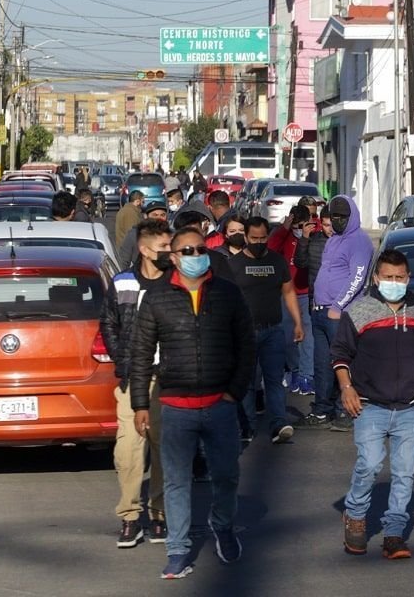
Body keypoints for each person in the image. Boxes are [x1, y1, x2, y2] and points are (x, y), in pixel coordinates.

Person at [129, 226, 257, 580]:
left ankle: (223, 526)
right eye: (187, 251)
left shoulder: (227, 294)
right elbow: (140, 354)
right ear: (173, 257)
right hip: (175, 406)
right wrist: (141, 404)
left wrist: (235, 391)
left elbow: (247, 346)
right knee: (176, 481)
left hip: (220, 403)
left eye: (200, 249)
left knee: (227, 475)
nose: (195, 256)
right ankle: (178, 549)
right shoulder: (156, 298)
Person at [335, 249, 414, 559]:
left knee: (404, 473)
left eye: (400, 278)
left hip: (409, 407)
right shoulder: (359, 312)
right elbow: (340, 355)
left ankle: (394, 534)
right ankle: (355, 515)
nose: (394, 282)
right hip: (369, 405)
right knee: (370, 465)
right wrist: (346, 388)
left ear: (408, 278)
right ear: (376, 278)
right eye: (387, 277)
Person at [99, 219, 172, 549]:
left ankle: (159, 513)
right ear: (144, 250)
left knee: (162, 447)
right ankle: (130, 517)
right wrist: (123, 359)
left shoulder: (177, 283)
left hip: (168, 379)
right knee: (128, 448)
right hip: (134, 378)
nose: (169, 254)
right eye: (163, 248)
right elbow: (108, 323)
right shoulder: (122, 282)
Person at [299, 196, 374, 432]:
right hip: (320, 310)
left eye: (343, 217)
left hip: (340, 314)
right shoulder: (334, 240)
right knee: (322, 364)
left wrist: (337, 306)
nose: (338, 221)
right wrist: (318, 303)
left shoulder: (359, 241)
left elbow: (357, 278)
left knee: (344, 363)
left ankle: (347, 410)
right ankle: (322, 410)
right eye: (335, 217)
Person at [230, 216, 304, 445]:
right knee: (249, 382)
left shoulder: (277, 261)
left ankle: (279, 424)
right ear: (245, 237)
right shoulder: (234, 265)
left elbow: (289, 292)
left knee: (274, 380)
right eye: (254, 238)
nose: (259, 242)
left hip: (273, 330)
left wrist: (298, 322)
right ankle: (248, 427)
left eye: (263, 238)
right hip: (246, 333)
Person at [267, 205, 313, 395]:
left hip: (306, 293)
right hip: (286, 294)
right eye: (295, 225)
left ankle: (306, 376)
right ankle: (293, 370)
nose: (299, 229)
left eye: (302, 225)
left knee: (308, 337)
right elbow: (269, 249)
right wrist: (284, 228)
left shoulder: (313, 235)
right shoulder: (284, 235)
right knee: (288, 337)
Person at [293, 205, 330, 396]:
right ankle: (312, 379)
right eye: (325, 225)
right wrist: (304, 238)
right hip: (316, 301)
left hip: (340, 303)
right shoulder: (314, 240)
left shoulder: (344, 242)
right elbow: (300, 262)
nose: (329, 229)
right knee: (316, 345)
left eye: (332, 224)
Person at [173, 208, 234, 283]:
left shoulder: (217, 260)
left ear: (202, 232)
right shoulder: (171, 262)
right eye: (187, 233)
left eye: (196, 232)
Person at [119, 201, 169, 267]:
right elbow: (123, 261)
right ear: (146, 216)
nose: (159, 218)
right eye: (155, 215)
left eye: (162, 215)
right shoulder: (134, 235)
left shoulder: (170, 236)